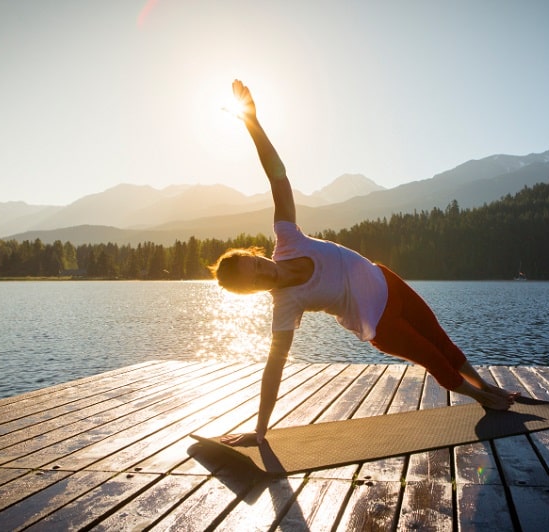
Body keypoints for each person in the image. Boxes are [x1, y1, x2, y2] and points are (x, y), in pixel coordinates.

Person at [211, 80, 519, 445]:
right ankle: (484, 399)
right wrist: (260, 430)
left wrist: (252, 122)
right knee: (435, 361)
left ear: (255, 255)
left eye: (257, 265)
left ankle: (486, 387)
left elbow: (278, 176)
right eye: (256, 281)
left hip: (388, 282)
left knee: (443, 343)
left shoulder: (288, 240)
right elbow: (273, 367)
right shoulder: (286, 304)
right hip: (379, 322)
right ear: (251, 292)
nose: (266, 273)